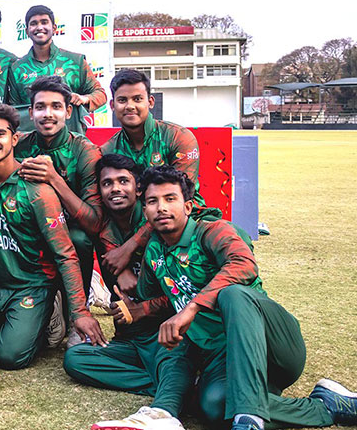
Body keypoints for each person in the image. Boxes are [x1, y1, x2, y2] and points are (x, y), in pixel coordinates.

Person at [120, 165, 357, 430]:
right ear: (145, 210)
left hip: (273, 347)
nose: (161, 208)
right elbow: (165, 298)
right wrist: (137, 308)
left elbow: (243, 264)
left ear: (188, 206)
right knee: (214, 408)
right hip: (226, 358)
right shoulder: (154, 250)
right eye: (152, 201)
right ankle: (327, 406)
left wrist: (191, 309)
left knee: (233, 294)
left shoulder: (212, 230)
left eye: (170, 199)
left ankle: (249, 419)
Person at [0, 103, 105, 370]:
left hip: (31, 286)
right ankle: (12, 322)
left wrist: (80, 313)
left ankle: (49, 315)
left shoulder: (38, 190)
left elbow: (66, 254)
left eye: (0, 134)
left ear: (14, 139)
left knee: (9, 357)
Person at [63, 154, 188, 430]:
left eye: (123, 181)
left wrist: (142, 308)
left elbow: (185, 294)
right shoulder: (102, 225)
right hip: (132, 338)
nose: (115, 189)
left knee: (174, 351)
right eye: (107, 183)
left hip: (165, 329)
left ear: (138, 188)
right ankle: (175, 385)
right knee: (75, 359)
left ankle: (170, 395)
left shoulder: (158, 222)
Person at [100, 68, 221, 286]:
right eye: (122, 100)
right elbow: (102, 207)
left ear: (151, 102)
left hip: (182, 219)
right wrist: (120, 266)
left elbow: (182, 197)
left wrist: (130, 247)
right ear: (112, 105)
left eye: (137, 99)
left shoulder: (178, 137)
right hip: (131, 221)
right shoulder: (108, 149)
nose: (130, 106)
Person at [15, 75, 102, 347]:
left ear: (68, 111)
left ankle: (76, 317)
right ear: (31, 112)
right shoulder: (19, 145)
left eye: (56, 106)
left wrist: (54, 179)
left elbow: (94, 222)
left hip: (68, 235)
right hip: (28, 233)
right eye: (40, 107)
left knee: (80, 239)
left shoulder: (84, 150)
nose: (48, 114)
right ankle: (45, 308)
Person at [8, 5, 106, 120]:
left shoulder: (75, 62)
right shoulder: (17, 69)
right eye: (34, 23)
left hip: (70, 130)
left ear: (54, 28)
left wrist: (84, 99)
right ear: (27, 31)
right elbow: (14, 110)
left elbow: (100, 94)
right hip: (32, 131)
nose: (39, 27)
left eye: (44, 22)